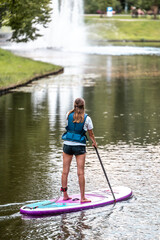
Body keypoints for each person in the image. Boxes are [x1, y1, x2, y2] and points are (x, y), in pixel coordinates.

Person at [61, 97, 97, 203]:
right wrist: (94, 142)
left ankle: (65, 195)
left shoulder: (68, 115)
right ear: (83, 106)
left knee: (65, 172)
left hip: (67, 145)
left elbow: (67, 126)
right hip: (79, 146)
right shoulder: (87, 118)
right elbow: (90, 133)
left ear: (74, 105)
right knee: (80, 173)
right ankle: (82, 198)